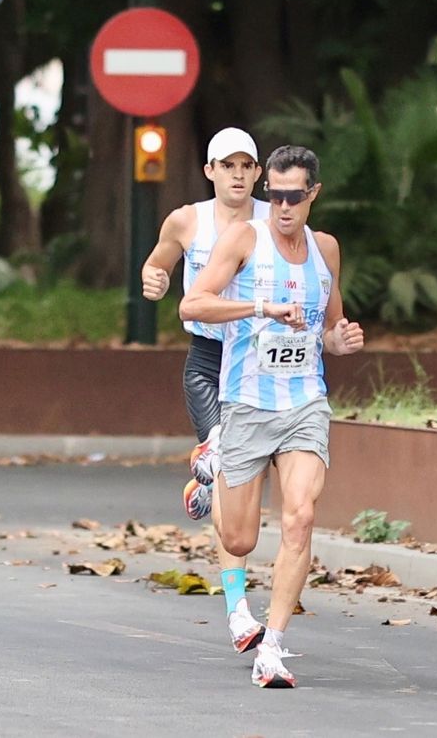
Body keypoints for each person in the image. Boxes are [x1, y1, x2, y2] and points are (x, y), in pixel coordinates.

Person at [180, 144, 364, 688]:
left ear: (313, 195)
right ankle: (212, 476)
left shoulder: (325, 249)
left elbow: (329, 328)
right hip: (247, 402)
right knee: (239, 541)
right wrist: (259, 308)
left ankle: (273, 647)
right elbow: (195, 304)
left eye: (294, 196)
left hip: (306, 403)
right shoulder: (244, 239)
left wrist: (341, 339)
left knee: (300, 516)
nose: (282, 206)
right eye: (274, 195)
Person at [140, 127, 271, 654]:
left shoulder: (273, 223)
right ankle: (237, 611)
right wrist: (155, 279)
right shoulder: (187, 219)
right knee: (226, 471)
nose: (238, 175)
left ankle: (207, 481)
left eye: (247, 166)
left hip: (258, 367)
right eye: (228, 165)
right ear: (210, 171)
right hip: (208, 363)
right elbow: (157, 263)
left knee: (235, 488)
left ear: (258, 173)